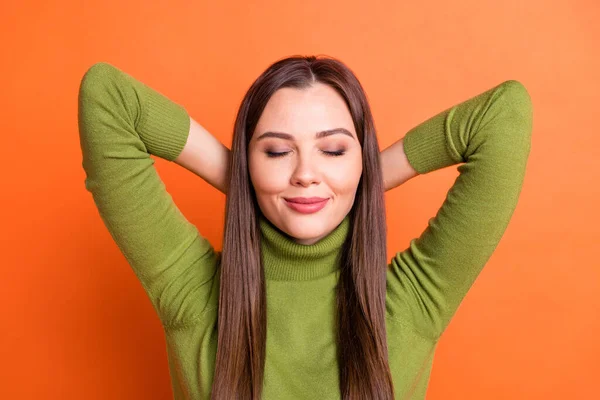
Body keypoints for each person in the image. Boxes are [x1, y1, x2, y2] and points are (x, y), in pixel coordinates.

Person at [77, 55, 532, 400]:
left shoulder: (411, 304)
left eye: (334, 150)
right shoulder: (194, 296)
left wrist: (363, 182)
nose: (305, 174)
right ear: (250, 161)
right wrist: (245, 185)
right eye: (276, 152)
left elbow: (504, 115)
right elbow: (108, 98)